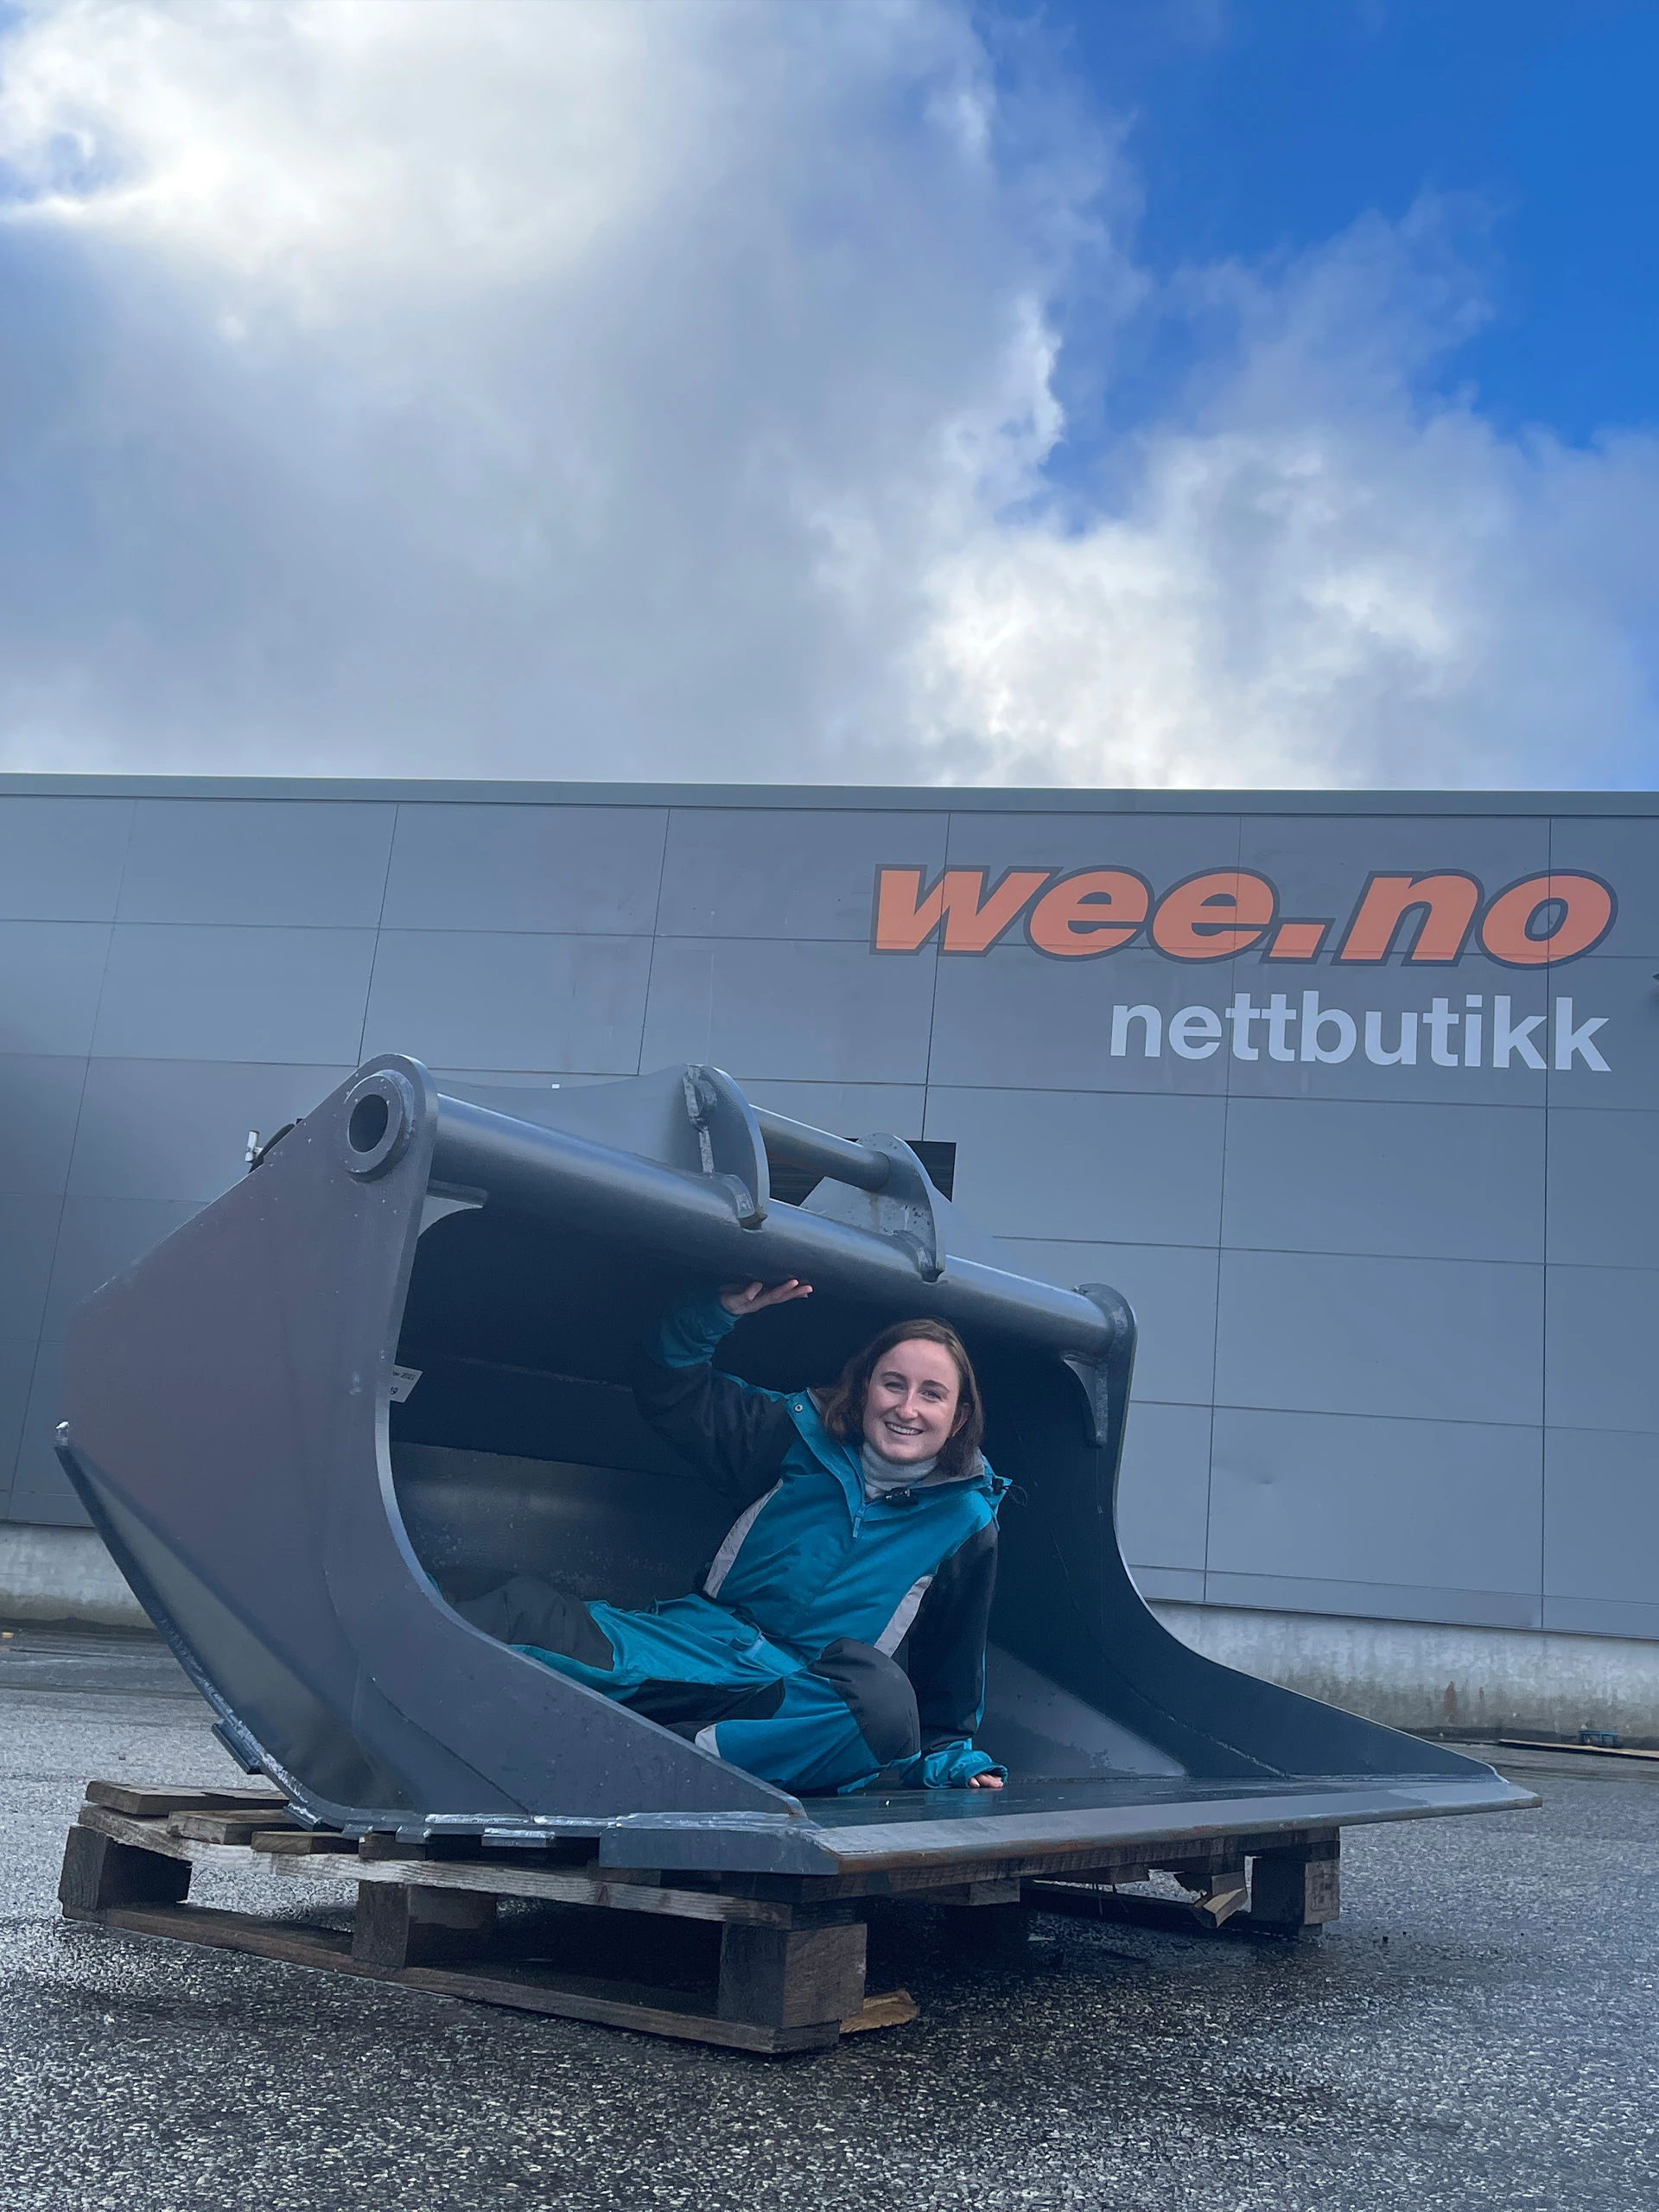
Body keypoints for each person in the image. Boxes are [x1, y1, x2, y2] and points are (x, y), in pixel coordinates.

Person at [454, 1277, 1008, 1797]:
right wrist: (715, 1313)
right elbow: (670, 1387)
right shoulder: (795, 1434)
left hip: (793, 1701)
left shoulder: (966, 1520)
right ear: (865, 1390)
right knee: (517, 1611)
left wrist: (951, 1756)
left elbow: (953, 1658)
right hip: (695, 1647)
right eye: (893, 1384)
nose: (907, 1408)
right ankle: (636, 1738)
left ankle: (655, 1760)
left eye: (931, 1394)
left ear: (958, 1418)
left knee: (884, 1707)